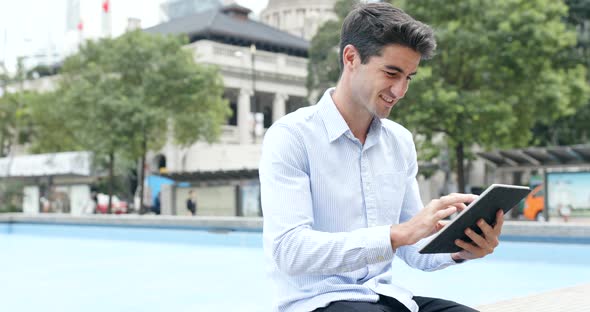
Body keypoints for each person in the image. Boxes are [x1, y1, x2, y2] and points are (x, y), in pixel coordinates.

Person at [259, 3, 505, 312]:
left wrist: (462, 249)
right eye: (391, 73)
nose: (400, 90)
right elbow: (290, 251)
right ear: (351, 58)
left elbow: (414, 249)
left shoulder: (399, 141)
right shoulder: (291, 136)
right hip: (316, 302)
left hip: (384, 297)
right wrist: (395, 235)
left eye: (409, 78)